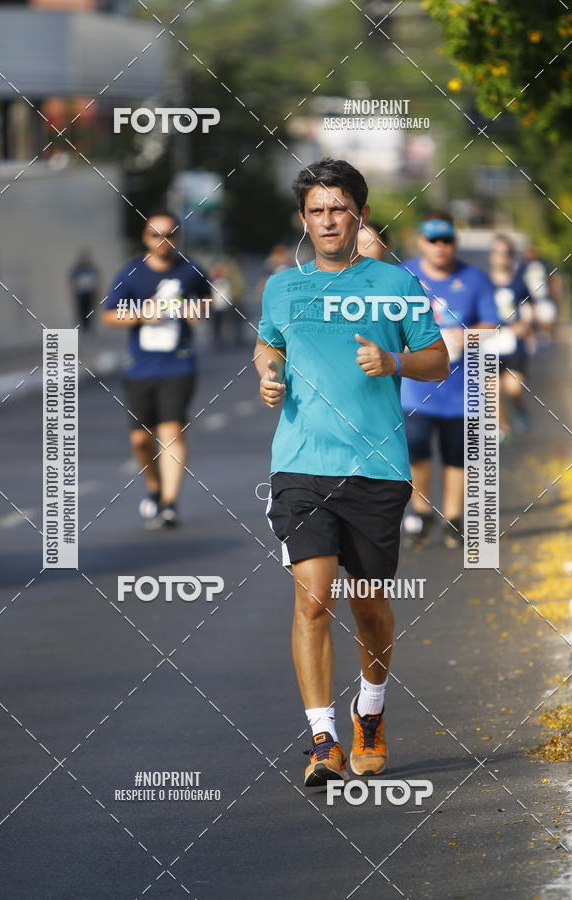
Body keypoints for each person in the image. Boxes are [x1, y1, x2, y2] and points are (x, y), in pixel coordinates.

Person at [254, 158, 449, 787]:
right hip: (300, 464)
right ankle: (323, 739)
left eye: (339, 208)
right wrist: (267, 369)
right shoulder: (283, 286)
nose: (328, 220)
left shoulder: (396, 284)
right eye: (316, 211)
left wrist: (394, 360)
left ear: (359, 215)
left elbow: (439, 360)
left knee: (367, 605)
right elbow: (269, 340)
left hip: (376, 466)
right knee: (312, 599)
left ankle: (370, 710)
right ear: (304, 221)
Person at [102, 210, 210, 528]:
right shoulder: (131, 273)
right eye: (156, 235)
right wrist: (140, 314)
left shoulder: (190, 270)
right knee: (140, 439)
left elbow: (207, 301)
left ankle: (169, 504)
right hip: (139, 368)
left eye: (170, 234)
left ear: (178, 237)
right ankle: (154, 486)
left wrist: (196, 310)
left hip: (179, 363)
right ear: (145, 238)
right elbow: (109, 315)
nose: (163, 241)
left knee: (172, 431)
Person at [400, 213, 499, 550]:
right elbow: (387, 323)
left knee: (457, 455)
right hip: (416, 388)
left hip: (462, 389)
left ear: (454, 243)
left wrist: (466, 336)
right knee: (417, 452)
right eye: (433, 240)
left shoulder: (475, 279)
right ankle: (421, 509)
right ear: (420, 242)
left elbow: (492, 325)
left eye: (446, 240)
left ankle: (454, 517)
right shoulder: (404, 276)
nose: (440, 247)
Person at [487, 234, 532, 441]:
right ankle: (502, 430)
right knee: (493, 391)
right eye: (497, 252)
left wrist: (523, 326)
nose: (501, 257)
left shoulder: (518, 284)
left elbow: (527, 311)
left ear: (511, 257)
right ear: (491, 256)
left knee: (513, 388)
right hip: (489, 345)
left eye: (506, 253)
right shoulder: (483, 283)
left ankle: (520, 407)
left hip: (514, 345)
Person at [69, 250, 99, 332]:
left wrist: (97, 291)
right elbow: (72, 280)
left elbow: (96, 280)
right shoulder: (77, 269)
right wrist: (72, 291)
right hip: (80, 293)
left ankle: (89, 326)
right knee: (81, 310)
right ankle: (83, 326)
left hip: (89, 293)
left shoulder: (91, 269)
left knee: (89, 309)